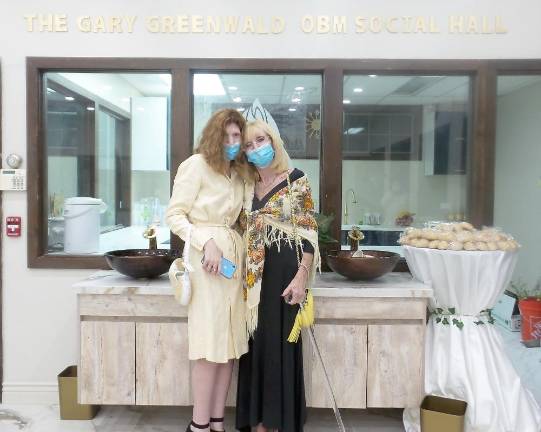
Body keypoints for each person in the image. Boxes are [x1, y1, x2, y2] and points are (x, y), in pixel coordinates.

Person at [165, 108, 249, 432]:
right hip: (206, 263)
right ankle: (198, 425)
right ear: (215, 136)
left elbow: (242, 217)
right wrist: (206, 240)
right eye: (227, 135)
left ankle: (217, 423)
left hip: (233, 266)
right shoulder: (196, 165)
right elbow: (175, 215)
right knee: (207, 345)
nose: (232, 141)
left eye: (237, 136)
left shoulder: (239, 173)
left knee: (228, 346)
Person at [235, 119, 320, 432]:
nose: (256, 148)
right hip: (253, 281)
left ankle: (276, 421)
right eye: (249, 144)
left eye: (261, 140)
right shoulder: (244, 187)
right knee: (255, 347)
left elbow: (309, 233)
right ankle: (256, 418)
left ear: (274, 141)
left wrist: (301, 277)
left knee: (279, 349)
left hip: (286, 279)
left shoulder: (296, 180)